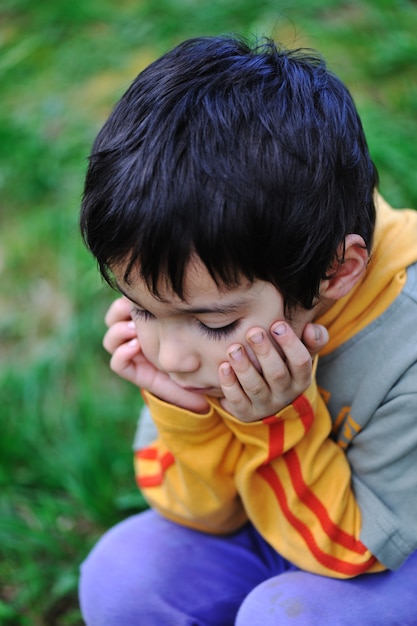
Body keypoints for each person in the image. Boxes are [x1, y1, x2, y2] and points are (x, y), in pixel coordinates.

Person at [78, 35, 417, 625]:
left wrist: (274, 423)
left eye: (214, 323)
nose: (171, 354)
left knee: (280, 616)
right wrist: (186, 412)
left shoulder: (407, 344)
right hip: (281, 517)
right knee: (121, 578)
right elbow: (195, 513)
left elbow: (355, 550)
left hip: (387, 546)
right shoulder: (193, 316)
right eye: (138, 308)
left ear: (336, 270)